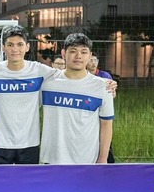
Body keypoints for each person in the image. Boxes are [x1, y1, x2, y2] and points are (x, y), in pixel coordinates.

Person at [0, 27, 59, 164]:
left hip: (29, 143)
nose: (15, 49)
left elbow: (66, 77)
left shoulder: (39, 71)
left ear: (27, 47)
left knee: (28, 179)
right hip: (0, 144)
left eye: (20, 44)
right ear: (3, 47)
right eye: (10, 45)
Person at [40, 33, 114, 164]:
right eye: (73, 51)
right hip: (52, 160)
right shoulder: (47, 83)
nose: (78, 56)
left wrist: (103, 158)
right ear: (64, 54)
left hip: (87, 161)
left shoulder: (103, 86)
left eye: (83, 52)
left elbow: (106, 124)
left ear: (90, 56)